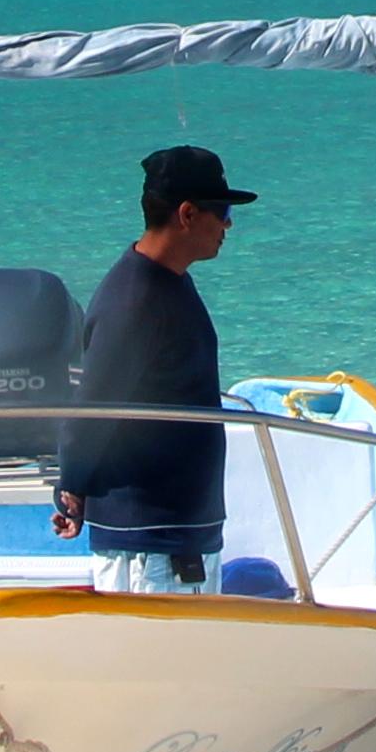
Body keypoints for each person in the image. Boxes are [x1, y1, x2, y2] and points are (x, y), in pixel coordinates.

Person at [60, 147, 249, 598]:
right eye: (221, 211)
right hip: (153, 547)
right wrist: (71, 488)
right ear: (187, 213)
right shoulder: (135, 299)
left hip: (180, 538)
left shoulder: (170, 281)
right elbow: (95, 408)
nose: (229, 224)